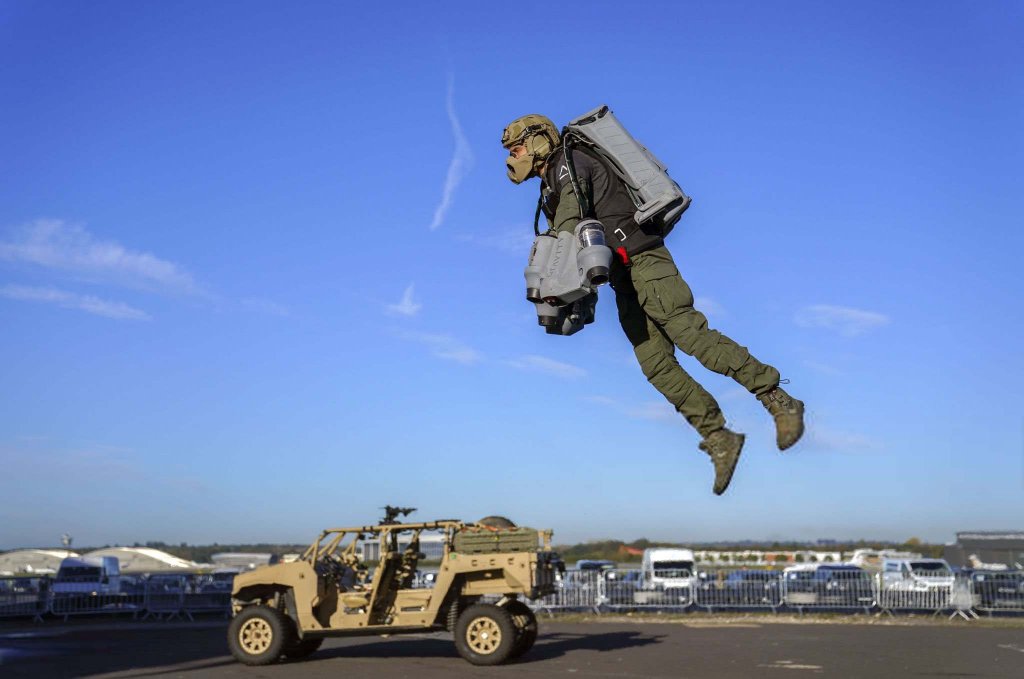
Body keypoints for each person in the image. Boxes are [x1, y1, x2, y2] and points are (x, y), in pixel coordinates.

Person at [501, 114, 805, 495]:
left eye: (516, 149)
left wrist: (548, 274)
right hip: (620, 276)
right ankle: (718, 436)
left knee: (689, 333)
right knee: (655, 363)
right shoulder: (548, 186)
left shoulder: (569, 161)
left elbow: (569, 224)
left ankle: (777, 398)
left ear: (539, 140)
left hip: (643, 258)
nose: (512, 158)